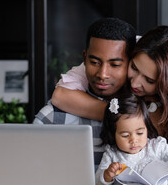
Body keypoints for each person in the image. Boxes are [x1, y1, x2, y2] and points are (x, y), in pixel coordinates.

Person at [51, 25, 168, 185]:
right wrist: (124, 114)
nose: (135, 83)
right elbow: (60, 96)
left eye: (149, 80)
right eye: (134, 68)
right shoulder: (120, 49)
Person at [33, 17, 137, 168]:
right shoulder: (54, 117)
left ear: (132, 64)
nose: (102, 74)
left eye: (114, 65)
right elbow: (29, 166)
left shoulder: (146, 113)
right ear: (84, 58)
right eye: (94, 62)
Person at [96, 93, 168, 185]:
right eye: (125, 135)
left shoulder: (156, 147)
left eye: (139, 133)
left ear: (147, 128)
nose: (133, 140)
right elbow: (97, 182)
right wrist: (107, 175)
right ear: (113, 134)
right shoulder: (112, 154)